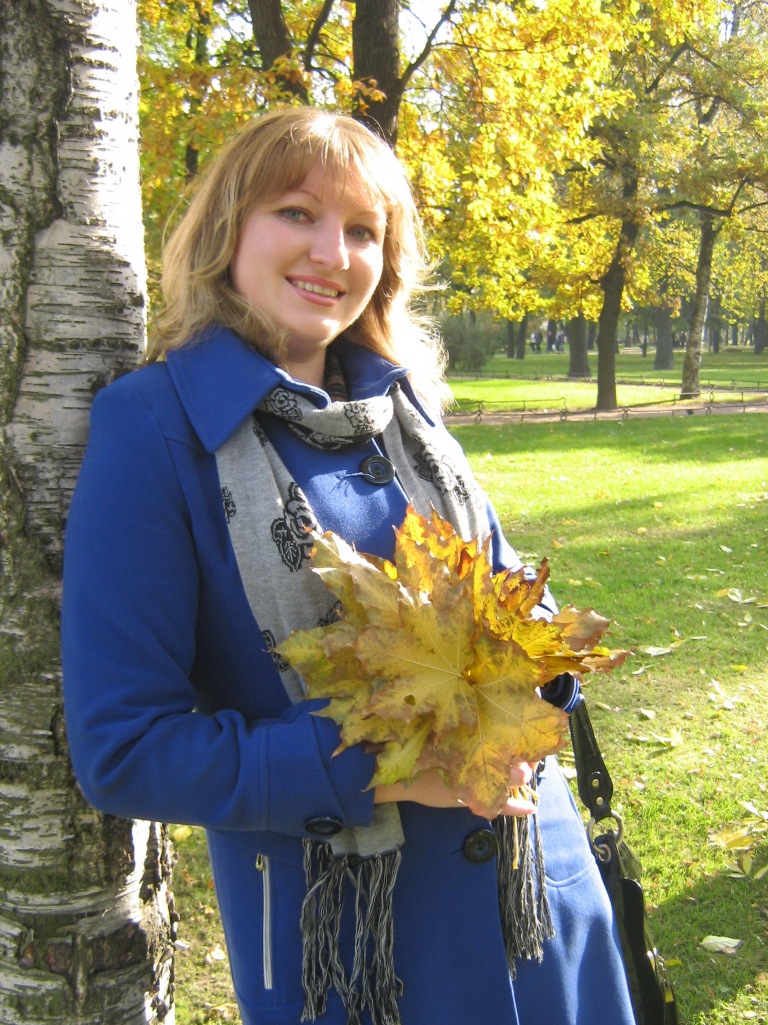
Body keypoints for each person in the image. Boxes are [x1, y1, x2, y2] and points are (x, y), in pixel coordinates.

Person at [61, 107, 636, 1025]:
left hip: (538, 900)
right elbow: (124, 748)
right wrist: (380, 767)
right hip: (361, 950)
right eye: (296, 212)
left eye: (364, 229)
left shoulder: (407, 411)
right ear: (227, 228)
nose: (333, 252)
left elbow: (518, 607)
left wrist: (537, 687)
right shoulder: (156, 426)